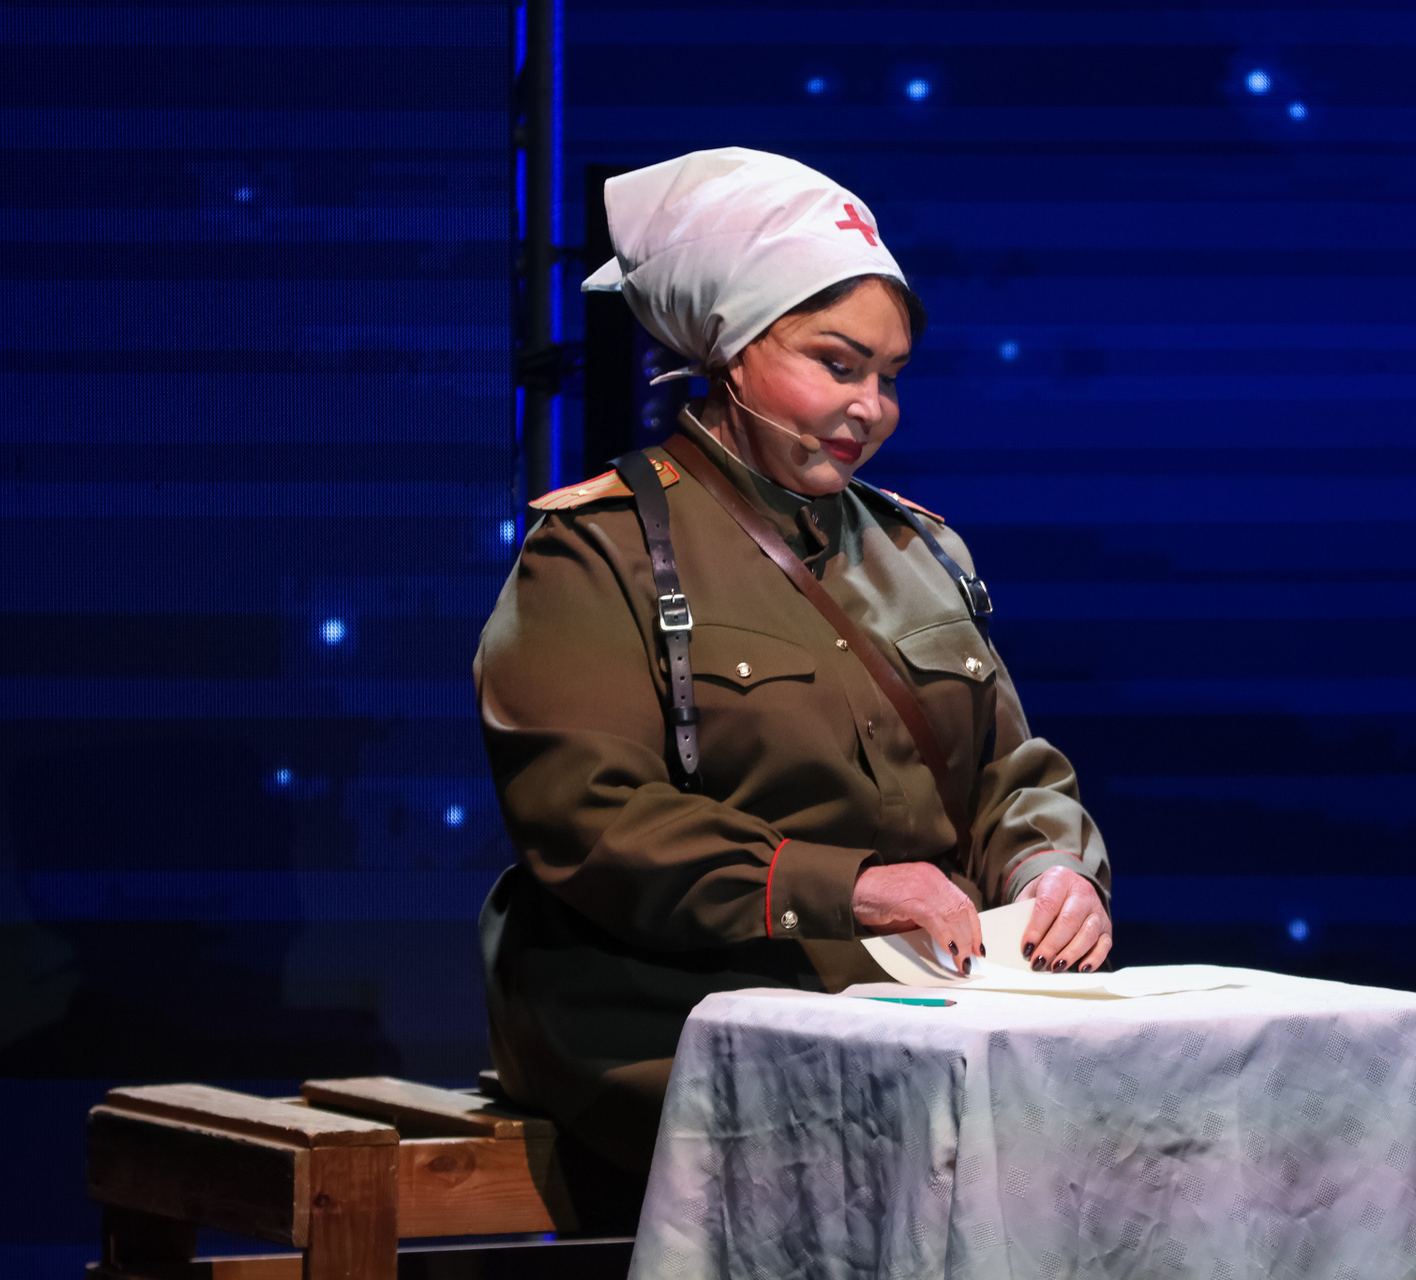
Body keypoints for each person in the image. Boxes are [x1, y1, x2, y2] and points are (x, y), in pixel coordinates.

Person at [474, 148, 1112, 1198]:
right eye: (838, 364)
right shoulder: (601, 550)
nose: (873, 406)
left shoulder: (921, 550)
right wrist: (846, 886)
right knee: (926, 1150)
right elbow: (588, 816)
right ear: (731, 352)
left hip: (921, 1000)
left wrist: (1053, 870)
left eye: (889, 377)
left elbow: (1010, 773)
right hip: (667, 1009)